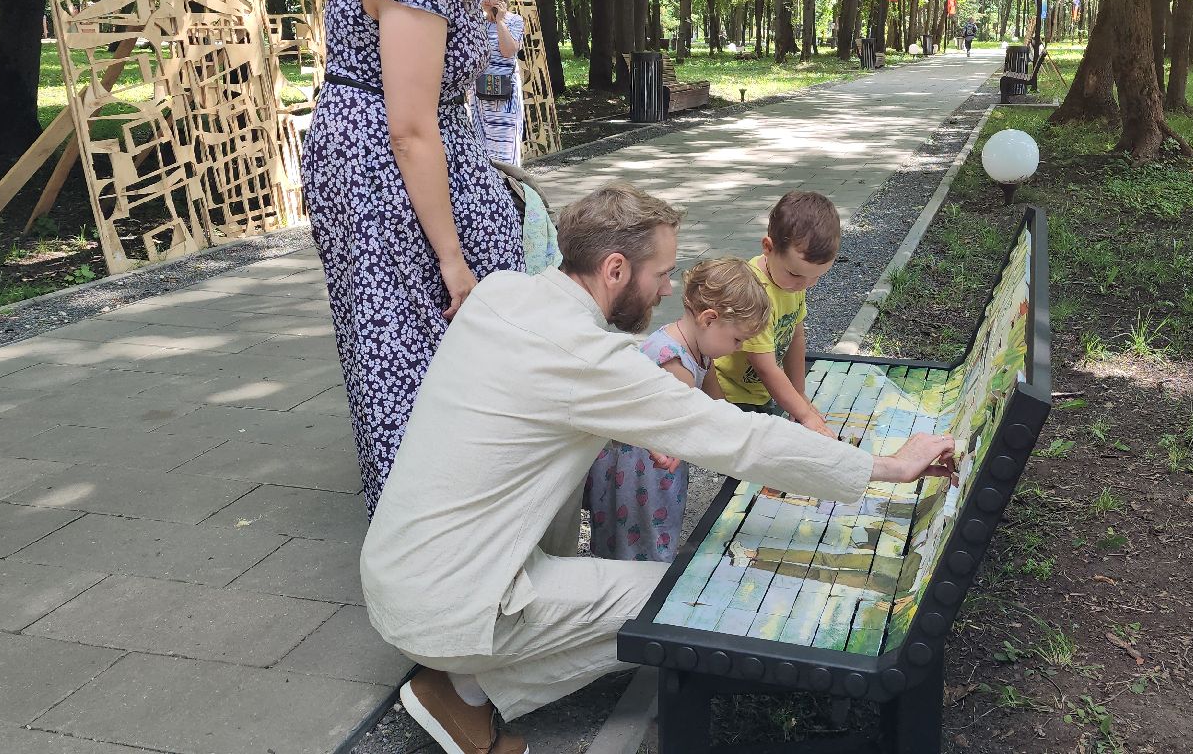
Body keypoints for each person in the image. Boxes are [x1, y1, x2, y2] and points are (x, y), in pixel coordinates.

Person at [359, 184, 956, 754]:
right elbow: (738, 437)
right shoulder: (591, 359)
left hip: (399, 568)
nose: (670, 290)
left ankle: (462, 683)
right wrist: (889, 467)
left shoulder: (501, 293)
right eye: (662, 273)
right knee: (681, 601)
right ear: (615, 269)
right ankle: (466, 683)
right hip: (452, 599)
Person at [303, 0, 548, 516]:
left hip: (428, 154)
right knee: (403, 335)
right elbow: (409, 131)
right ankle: (423, 524)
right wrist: (450, 257)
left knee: (477, 320)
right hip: (382, 168)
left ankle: (475, 500)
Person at [582, 257, 769, 562]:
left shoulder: (701, 350)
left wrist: (744, 436)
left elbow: (717, 407)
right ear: (708, 319)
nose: (738, 349)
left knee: (652, 527)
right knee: (640, 535)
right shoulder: (675, 362)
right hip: (641, 468)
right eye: (737, 340)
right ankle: (641, 590)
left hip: (660, 456)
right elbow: (693, 428)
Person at [711, 191, 839, 435]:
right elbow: (765, 367)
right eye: (796, 274)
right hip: (732, 395)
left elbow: (796, 336)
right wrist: (803, 413)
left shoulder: (792, 282)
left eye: (817, 277)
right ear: (768, 247)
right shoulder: (755, 293)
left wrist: (799, 393)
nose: (805, 284)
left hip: (759, 391)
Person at [472, 0, 528, 165]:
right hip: (479, 92)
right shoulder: (475, 21)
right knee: (481, 146)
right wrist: (479, 13)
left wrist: (500, 22)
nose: (492, 1)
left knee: (505, 148)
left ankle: (508, 185)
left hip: (505, 92)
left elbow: (508, 51)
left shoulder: (515, 21)